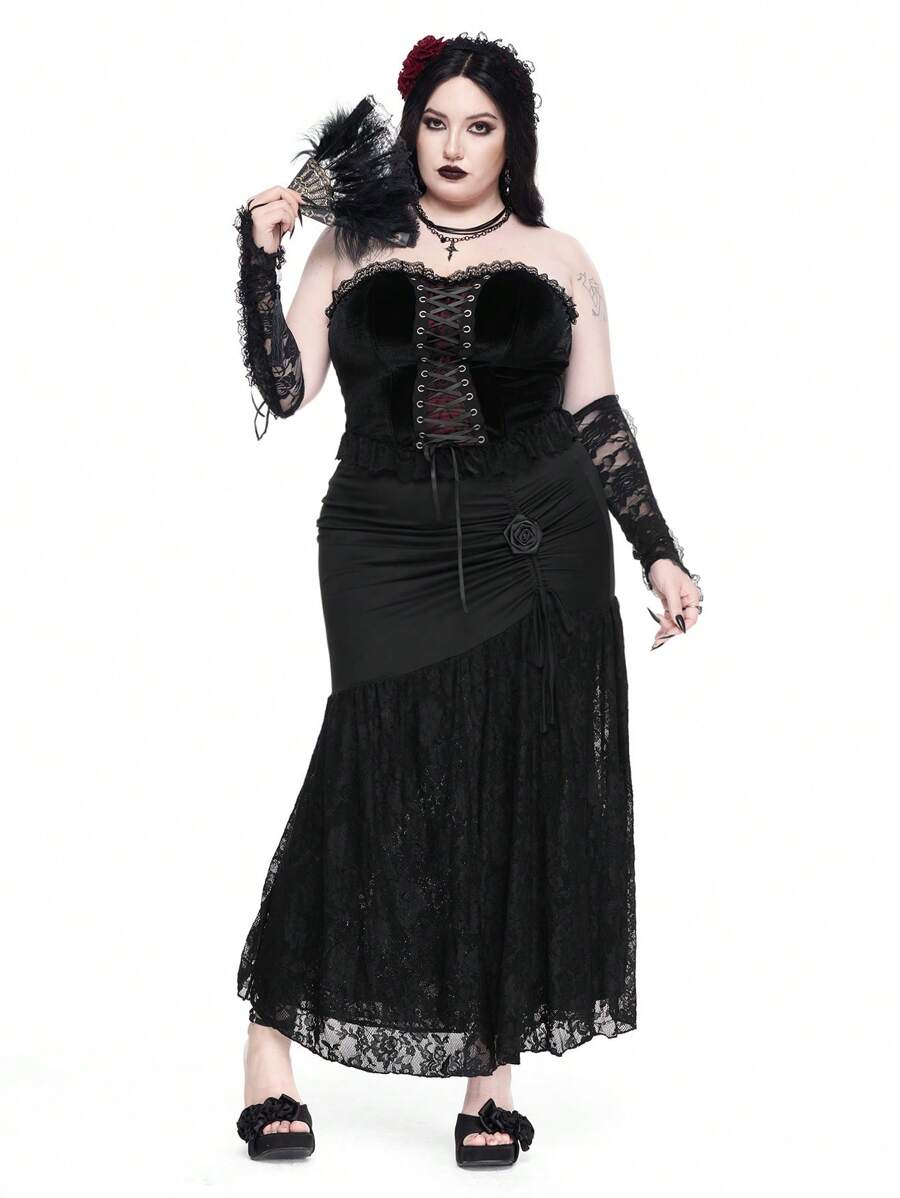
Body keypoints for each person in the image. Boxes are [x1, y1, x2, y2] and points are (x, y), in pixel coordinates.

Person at [232, 31, 703, 1168]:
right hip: (380, 536)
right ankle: (269, 1043)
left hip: (534, 537)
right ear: (412, 131)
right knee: (371, 766)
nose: (453, 146)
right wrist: (258, 261)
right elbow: (288, 390)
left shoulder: (561, 257)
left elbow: (597, 418)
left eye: (479, 126)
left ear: (512, 141)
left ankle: (491, 1076)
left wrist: (657, 552)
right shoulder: (349, 243)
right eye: (436, 123)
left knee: (510, 784)